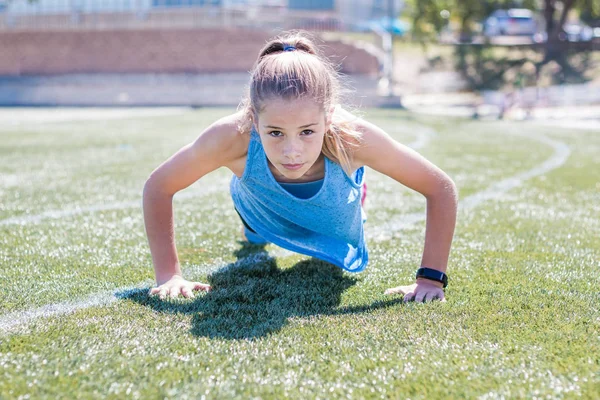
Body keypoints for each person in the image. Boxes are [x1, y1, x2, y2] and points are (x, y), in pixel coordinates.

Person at [143, 32, 458, 303]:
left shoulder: (353, 138)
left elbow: (440, 188)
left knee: (334, 217)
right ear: (254, 120)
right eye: (275, 133)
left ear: (328, 118)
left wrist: (430, 278)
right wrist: (169, 275)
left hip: (331, 218)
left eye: (307, 132)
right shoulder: (231, 136)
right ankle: (254, 227)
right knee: (254, 229)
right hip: (260, 210)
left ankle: (355, 195)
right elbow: (159, 186)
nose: (291, 151)